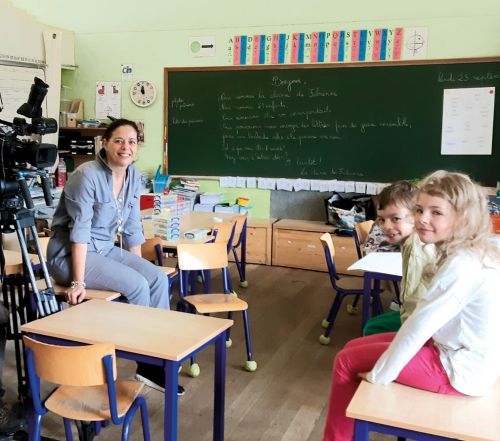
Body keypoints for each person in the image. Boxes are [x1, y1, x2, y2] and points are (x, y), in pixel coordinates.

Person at [322, 170, 500, 441]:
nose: (422, 219)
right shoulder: (466, 250)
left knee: (345, 360)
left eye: (436, 212)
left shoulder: (462, 264)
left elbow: (419, 325)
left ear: (463, 217)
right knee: (351, 348)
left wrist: (379, 375)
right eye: (418, 210)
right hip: (454, 353)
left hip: (456, 371)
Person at [46, 119, 183, 395]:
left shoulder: (132, 175)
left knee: (154, 277)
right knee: (136, 285)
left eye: (132, 142)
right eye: (119, 140)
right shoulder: (86, 176)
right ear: (105, 143)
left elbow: (132, 226)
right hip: (69, 255)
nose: (126, 147)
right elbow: (80, 232)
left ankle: (157, 356)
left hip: (105, 248)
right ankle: (143, 361)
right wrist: (78, 282)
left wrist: (138, 265)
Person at [362, 181, 436, 335]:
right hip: (427, 315)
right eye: (382, 219)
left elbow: (413, 300)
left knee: (372, 328)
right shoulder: (414, 240)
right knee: (373, 324)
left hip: (426, 323)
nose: (386, 226)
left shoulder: (415, 248)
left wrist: (403, 341)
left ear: (417, 215)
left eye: (395, 219)